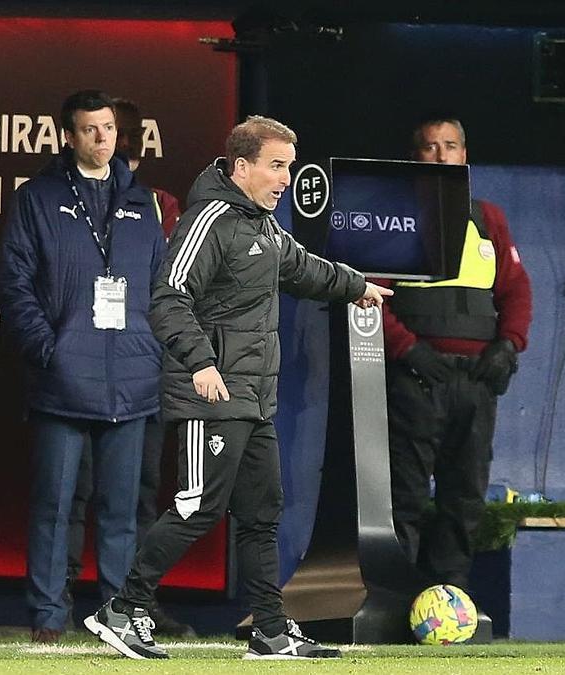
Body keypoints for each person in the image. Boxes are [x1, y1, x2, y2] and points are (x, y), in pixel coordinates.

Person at [84, 115, 391, 660]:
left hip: (253, 396)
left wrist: (356, 287)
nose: (286, 179)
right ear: (241, 166)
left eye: (289, 168)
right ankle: (124, 608)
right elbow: (168, 298)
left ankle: (270, 631)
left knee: (262, 511)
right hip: (213, 393)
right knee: (198, 505)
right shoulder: (211, 220)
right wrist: (202, 363)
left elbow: (301, 267)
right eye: (276, 167)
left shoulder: (262, 225)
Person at [0, 90, 165, 644]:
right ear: (68, 136)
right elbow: (14, 283)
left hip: (132, 381)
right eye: (90, 129)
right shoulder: (37, 199)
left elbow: (162, 290)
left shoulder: (143, 204)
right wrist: (49, 349)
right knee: (55, 505)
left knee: (122, 511)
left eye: (109, 128)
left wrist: (154, 349)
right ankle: (49, 618)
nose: (102, 138)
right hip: (63, 380)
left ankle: (118, 620)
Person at [378, 116, 532, 591]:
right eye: (430, 147)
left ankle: (449, 595)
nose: (441, 155)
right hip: (417, 378)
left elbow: (516, 291)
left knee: (464, 496)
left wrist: (508, 346)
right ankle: (396, 595)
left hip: (476, 382)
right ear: (414, 157)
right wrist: (408, 351)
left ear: (465, 155)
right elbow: (369, 297)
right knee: (403, 495)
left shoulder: (488, 219)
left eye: (450, 146)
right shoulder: (394, 218)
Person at [65, 97, 193, 637]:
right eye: (100, 131)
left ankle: (133, 604)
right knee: (75, 488)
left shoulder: (159, 205)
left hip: (145, 373)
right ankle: (61, 603)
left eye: (120, 133)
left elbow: (180, 291)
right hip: (78, 372)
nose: (113, 142)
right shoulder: (64, 199)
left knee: (140, 491)